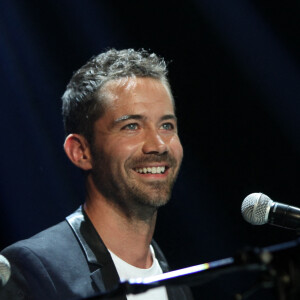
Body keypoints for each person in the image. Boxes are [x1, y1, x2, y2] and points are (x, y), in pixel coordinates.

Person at [0, 49, 193, 300]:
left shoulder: (178, 285)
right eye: (131, 126)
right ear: (81, 151)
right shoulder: (32, 270)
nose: (158, 144)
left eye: (166, 125)